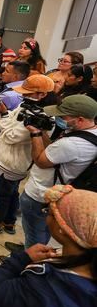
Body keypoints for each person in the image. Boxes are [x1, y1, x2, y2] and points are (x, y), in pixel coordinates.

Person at [0, 185, 97, 307]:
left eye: (50, 213)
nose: (46, 216)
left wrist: (22, 258)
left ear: (63, 229)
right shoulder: (84, 265)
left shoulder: (43, 289)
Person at [0, 75, 55, 235]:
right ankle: (9, 222)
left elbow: (10, 136)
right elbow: (7, 120)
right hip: (10, 161)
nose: (24, 96)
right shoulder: (25, 108)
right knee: (11, 194)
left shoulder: (39, 118)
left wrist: (3, 115)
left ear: (42, 95)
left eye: (28, 93)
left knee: (1, 195)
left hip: (11, 164)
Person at [18, 94, 97, 248]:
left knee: (35, 234)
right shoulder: (90, 135)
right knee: (44, 229)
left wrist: (35, 133)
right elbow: (53, 148)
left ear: (80, 119)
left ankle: (31, 260)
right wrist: (43, 133)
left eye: (63, 116)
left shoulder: (72, 144)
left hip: (40, 194)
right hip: (60, 193)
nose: (59, 119)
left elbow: (41, 161)